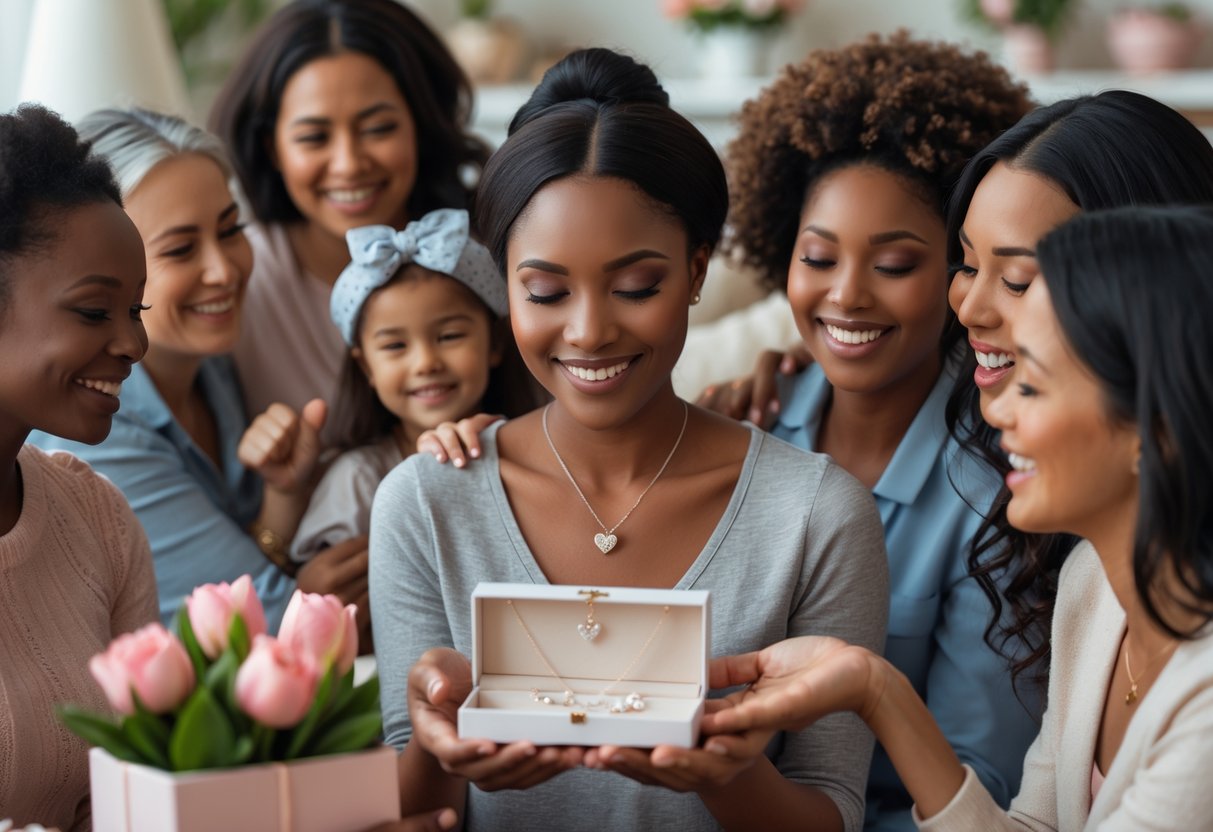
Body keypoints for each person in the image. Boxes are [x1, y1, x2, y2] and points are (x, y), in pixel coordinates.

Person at [370, 48, 890, 832]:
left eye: (635, 287)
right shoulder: (425, 501)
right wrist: (439, 740)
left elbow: (832, 811)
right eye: (544, 291)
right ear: (502, 287)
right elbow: (405, 813)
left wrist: (720, 772)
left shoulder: (815, 515)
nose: (588, 331)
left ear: (696, 270)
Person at [699, 205, 1213, 830]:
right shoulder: (1094, 588)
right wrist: (873, 688)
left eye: (1034, 385)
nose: (994, 415)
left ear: (1155, 429)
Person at [714, 34, 1036, 830]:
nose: (846, 297)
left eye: (893, 266)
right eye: (818, 257)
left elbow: (981, 783)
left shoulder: (1005, 484)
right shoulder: (740, 422)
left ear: (964, 274)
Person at [30, 108, 365, 632]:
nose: (224, 269)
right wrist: (305, 587)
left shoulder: (211, 367)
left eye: (230, 230)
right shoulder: (98, 428)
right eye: (182, 248)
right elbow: (258, 628)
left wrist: (282, 504)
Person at [209, 0, 490, 441]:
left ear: (420, 124)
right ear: (272, 148)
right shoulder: (240, 277)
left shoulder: (479, 251)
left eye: (378, 128)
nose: (349, 164)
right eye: (314, 137)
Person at [0, 104, 158, 832]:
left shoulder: (96, 518)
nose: (134, 342)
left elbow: (147, 789)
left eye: (137, 309)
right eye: (96, 312)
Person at [291, 208, 541, 560]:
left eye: (450, 335)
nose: (426, 363)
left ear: (495, 344)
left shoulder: (536, 454)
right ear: (366, 368)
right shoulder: (357, 481)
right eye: (395, 346)